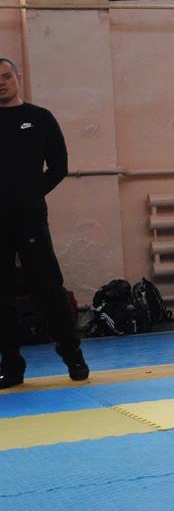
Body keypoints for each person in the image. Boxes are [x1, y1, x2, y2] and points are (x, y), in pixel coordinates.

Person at [0, 58, 89, 390]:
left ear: (18, 78)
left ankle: (73, 356)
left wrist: (32, 193)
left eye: (6, 76)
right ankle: (11, 365)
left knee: (49, 288)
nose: (1, 83)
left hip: (29, 219)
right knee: (2, 296)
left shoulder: (39, 118)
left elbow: (59, 166)